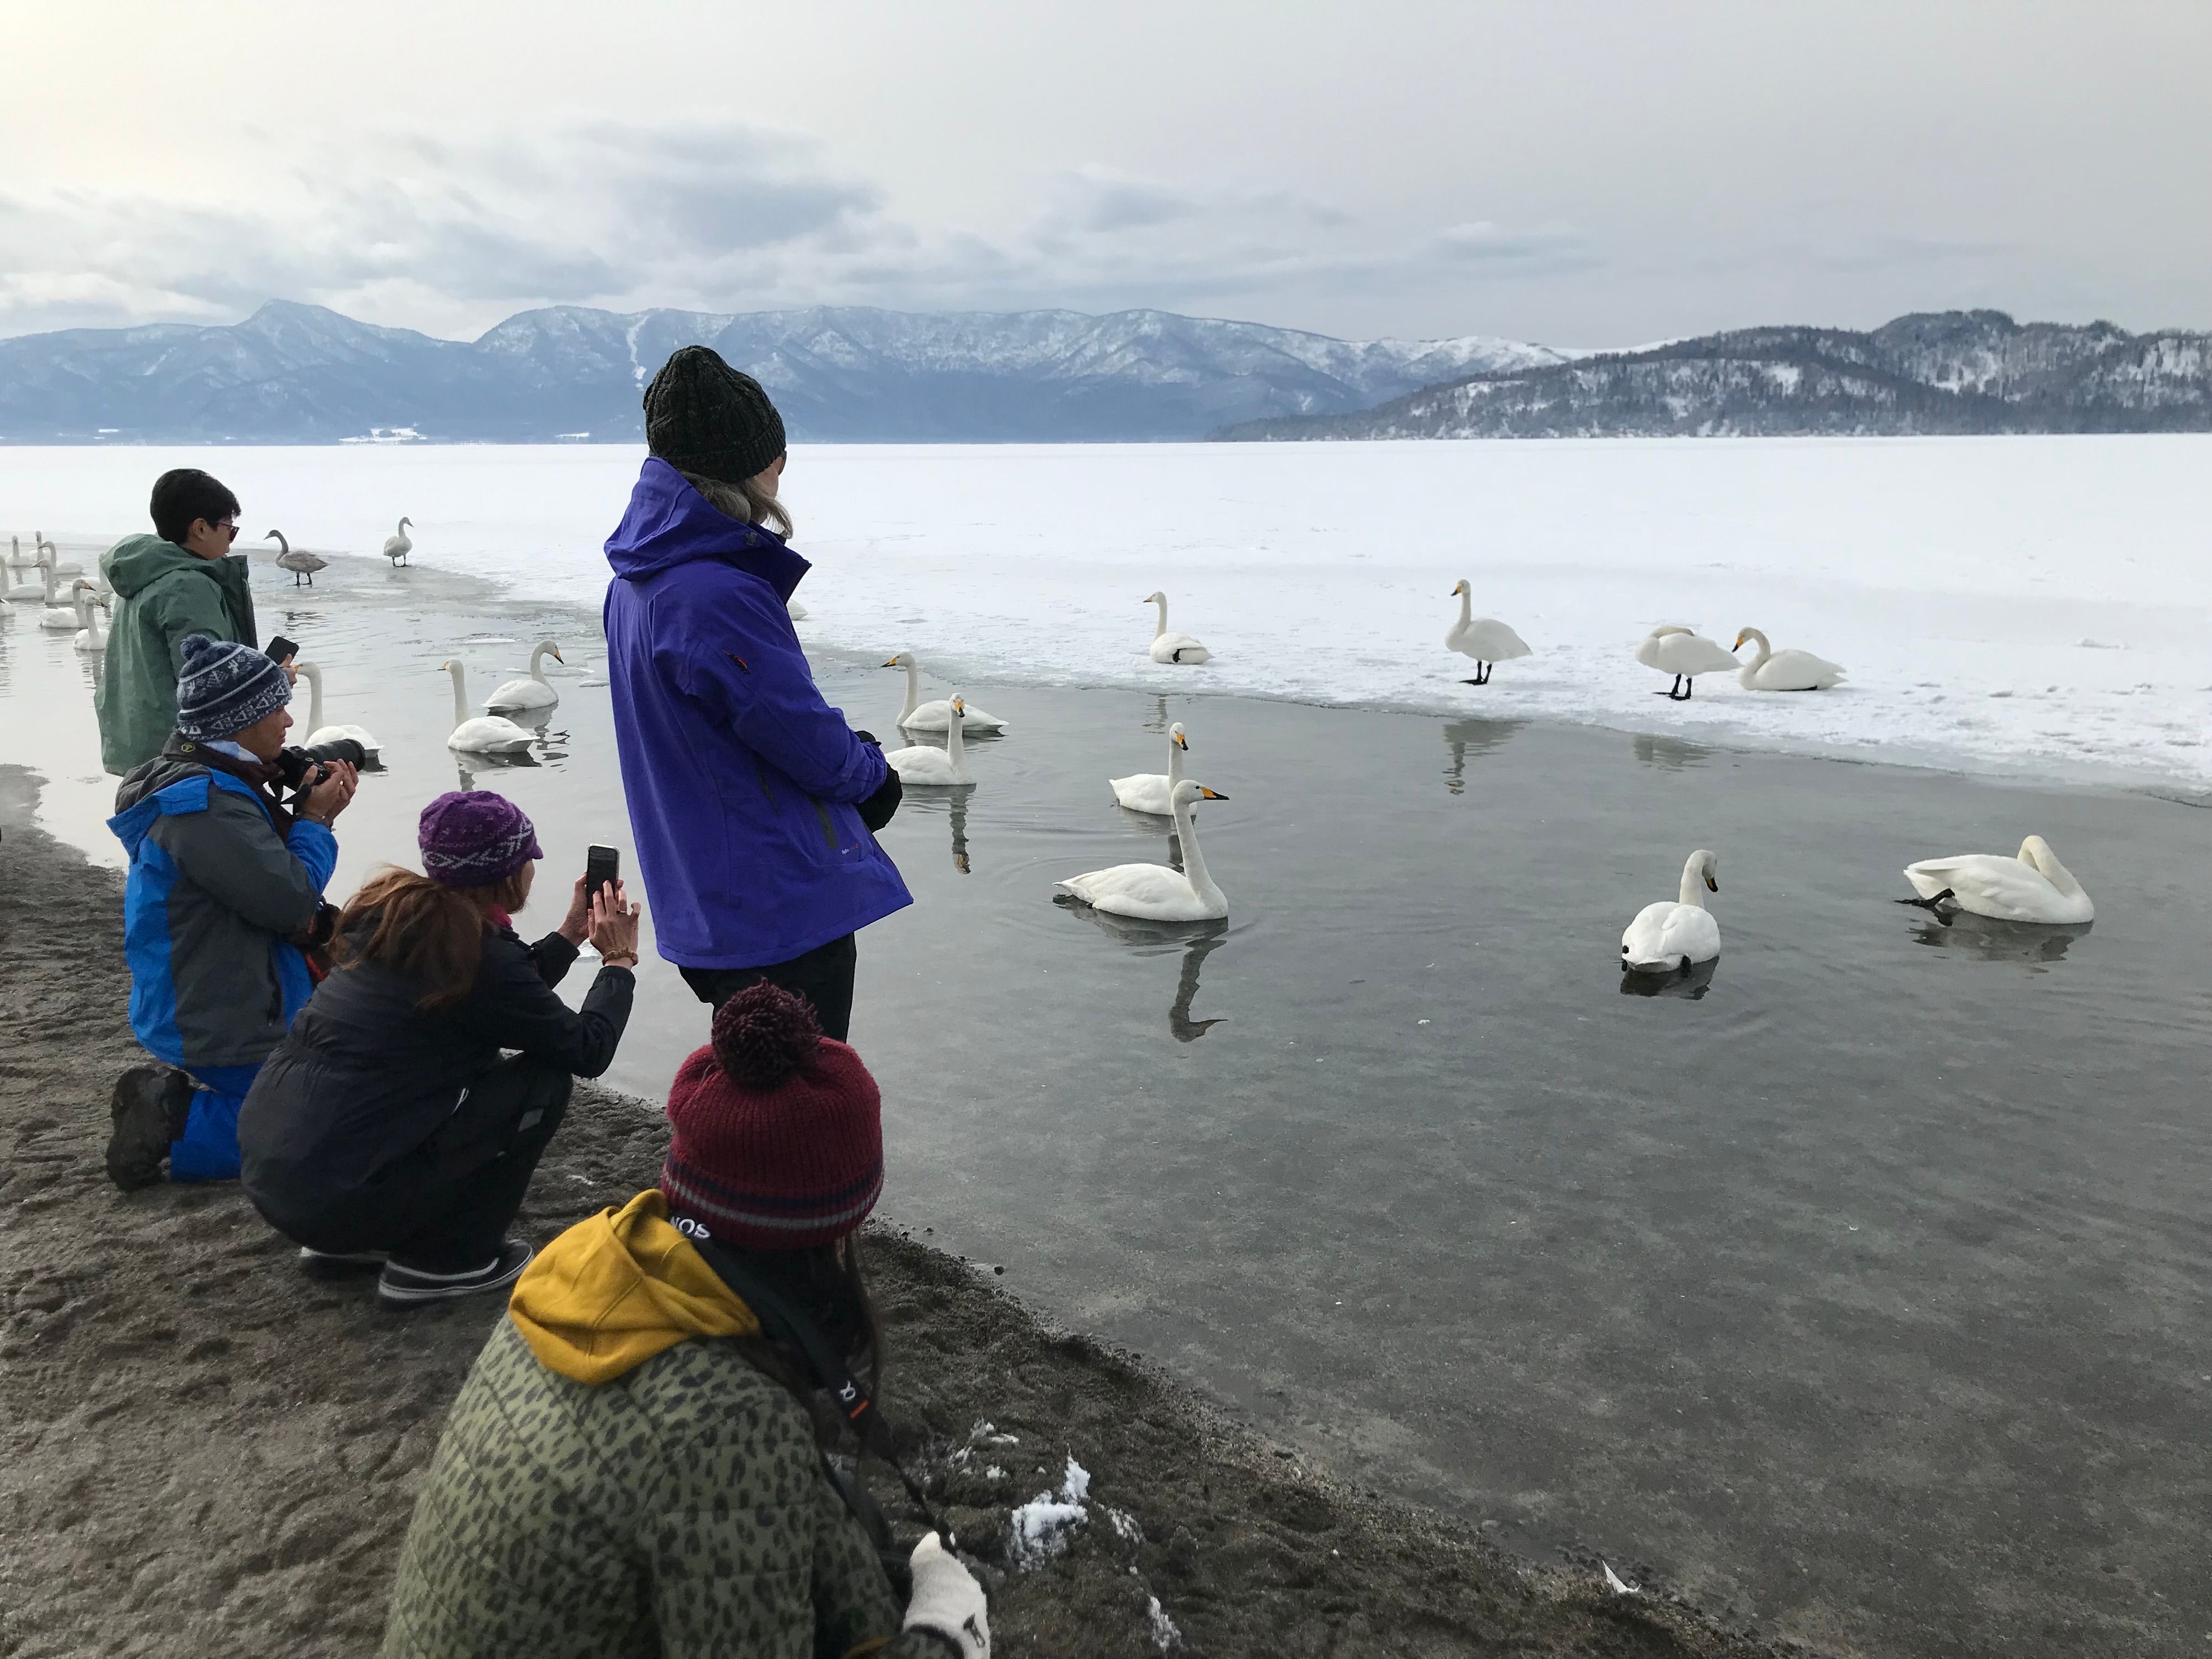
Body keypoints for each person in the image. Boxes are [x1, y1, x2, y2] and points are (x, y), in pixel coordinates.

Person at [379, 981, 989, 1658]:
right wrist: (944, 1636)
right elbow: (719, 1458)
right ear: (837, 1226)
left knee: (838, 1506)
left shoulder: (589, 1262)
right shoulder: (730, 1423)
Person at [602, 346, 907, 1042]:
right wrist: (871, 774)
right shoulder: (712, 591)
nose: (782, 470)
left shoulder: (637, 582)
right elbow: (795, 731)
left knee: (752, 1095)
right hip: (774, 905)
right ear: (744, 465)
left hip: (708, 891)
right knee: (803, 1107)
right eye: (777, 456)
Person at [238, 791, 642, 1308]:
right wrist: (619, 962)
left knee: (453, 1072)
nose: (534, 871)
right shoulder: (479, 956)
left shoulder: (391, 921)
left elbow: (501, 999)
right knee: (542, 1081)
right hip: (339, 1197)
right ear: (508, 875)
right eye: (529, 861)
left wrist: (569, 933)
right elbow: (587, 1050)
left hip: (284, 1184)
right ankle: (446, 1262)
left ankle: (358, 1242)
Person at [105, 635, 358, 1189]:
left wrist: (297, 804)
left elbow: (262, 880)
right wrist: (315, 822)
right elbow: (289, 902)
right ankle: (173, 1124)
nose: (290, 723)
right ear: (241, 722)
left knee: (351, 1084)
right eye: (277, 709)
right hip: (222, 1015)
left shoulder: (212, 778)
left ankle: (202, 1107)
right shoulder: (203, 804)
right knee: (326, 1127)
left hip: (225, 996)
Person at [97, 467, 267, 776]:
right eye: (230, 529)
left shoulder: (144, 573)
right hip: (186, 757)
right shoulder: (189, 586)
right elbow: (208, 685)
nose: (231, 541)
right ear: (201, 528)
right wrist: (270, 681)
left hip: (140, 747)